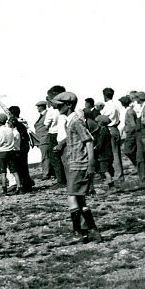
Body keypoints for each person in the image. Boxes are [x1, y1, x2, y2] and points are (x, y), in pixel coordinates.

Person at [53, 91, 101, 243]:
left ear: (68, 105)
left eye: (60, 106)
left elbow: (88, 141)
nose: (57, 108)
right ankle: (91, 232)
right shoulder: (72, 120)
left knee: (72, 198)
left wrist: (91, 164)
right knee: (80, 199)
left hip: (79, 163)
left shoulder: (75, 121)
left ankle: (78, 233)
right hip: (76, 162)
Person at [8, 105, 35, 192]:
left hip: (20, 147)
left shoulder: (16, 124)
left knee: (20, 166)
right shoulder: (23, 122)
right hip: (25, 145)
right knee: (24, 166)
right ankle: (27, 183)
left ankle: (24, 185)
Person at [44, 85, 67, 186]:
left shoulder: (51, 111)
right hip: (63, 135)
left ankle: (61, 180)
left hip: (54, 134)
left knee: (54, 158)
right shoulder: (65, 109)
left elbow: (46, 125)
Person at [100, 87, 125, 182]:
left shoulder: (106, 106)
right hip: (115, 128)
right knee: (116, 153)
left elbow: (102, 119)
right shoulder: (116, 105)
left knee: (110, 153)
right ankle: (119, 174)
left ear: (104, 95)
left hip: (109, 129)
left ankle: (116, 175)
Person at [0, 113, 20, 194]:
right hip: (11, 151)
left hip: (2, 151)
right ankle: (19, 186)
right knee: (14, 170)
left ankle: (4, 188)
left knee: (3, 171)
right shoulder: (10, 130)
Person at [94, 114, 116, 188]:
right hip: (108, 153)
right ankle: (111, 183)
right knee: (107, 169)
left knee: (104, 170)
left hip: (104, 154)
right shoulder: (106, 129)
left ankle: (111, 184)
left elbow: (101, 142)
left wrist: (96, 148)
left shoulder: (103, 131)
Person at [32, 100, 52, 179]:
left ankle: (46, 174)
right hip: (42, 138)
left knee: (45, 157)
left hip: (44, 138)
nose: (37, 108)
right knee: (46, 156)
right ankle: (47, 173)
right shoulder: (43, 115)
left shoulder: (46, 115)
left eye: (38, 107)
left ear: (41, 107)